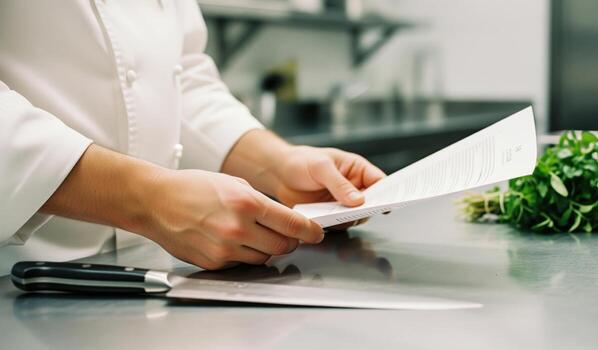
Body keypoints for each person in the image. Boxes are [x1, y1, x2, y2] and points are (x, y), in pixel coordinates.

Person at [0, 0, 385, 275]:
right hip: (18, 276)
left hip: (147, 271)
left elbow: (181, 77)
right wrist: (148, 199)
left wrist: (278, 163)